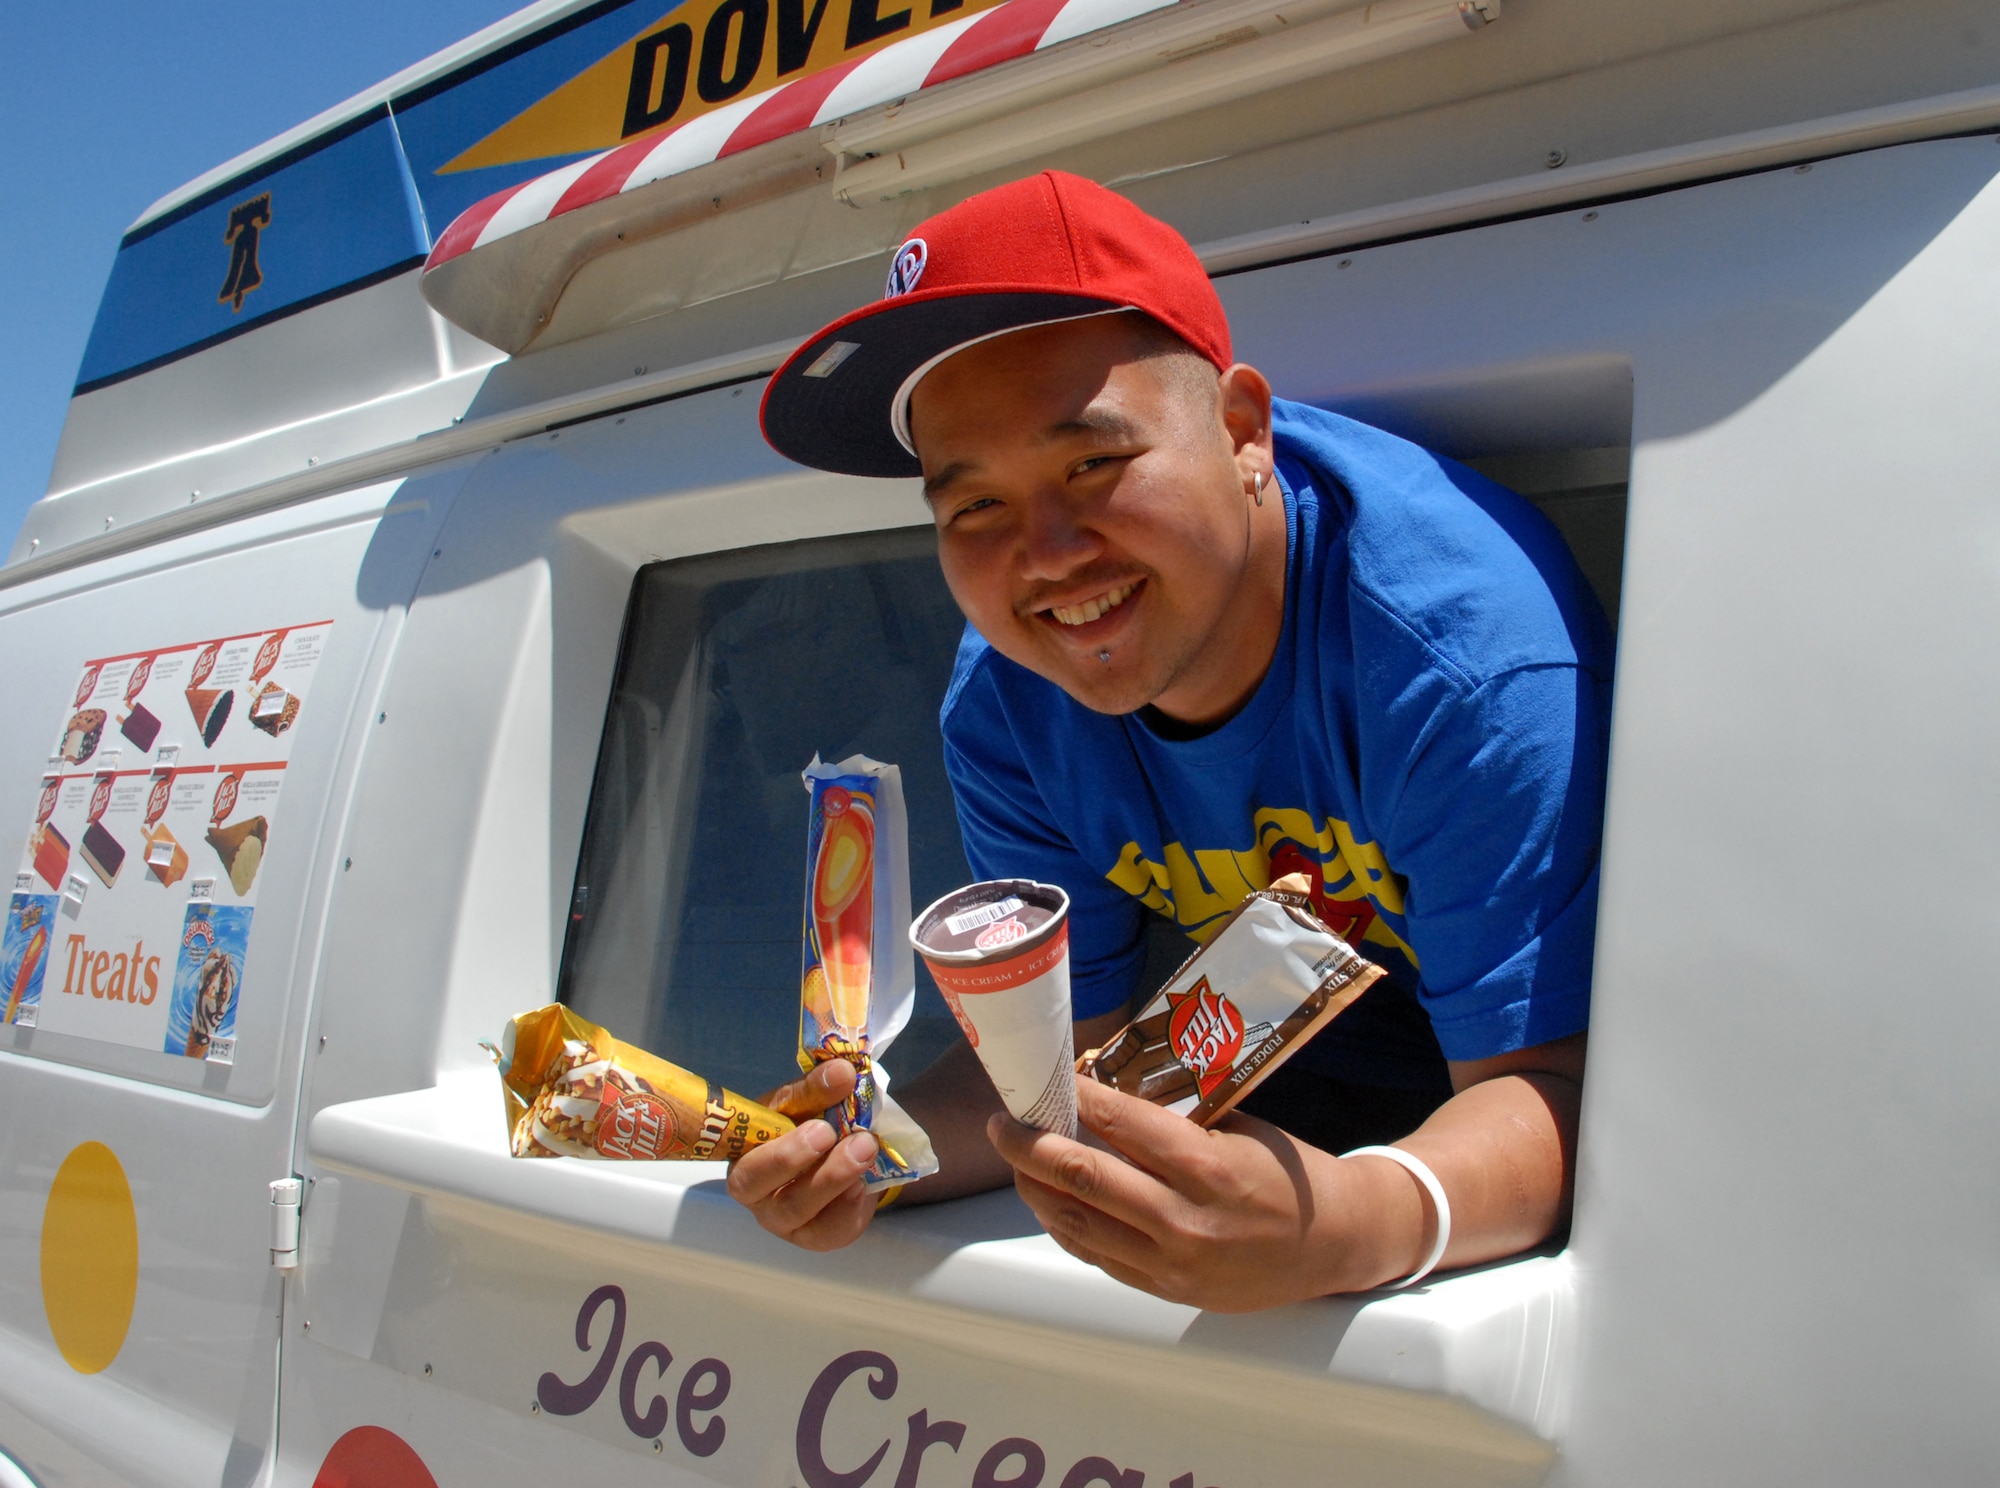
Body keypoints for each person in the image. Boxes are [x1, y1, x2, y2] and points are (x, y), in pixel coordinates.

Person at [731, 170, 1611, 1312]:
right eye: (973, 507)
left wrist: (1351, 1226)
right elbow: (1061, 1070)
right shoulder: (1009, 703)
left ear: (1242, 432)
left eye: (1090, 464)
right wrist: (863, 1153)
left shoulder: (1458, 661)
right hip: (1267, 1132)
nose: (1045, 554)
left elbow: (1556, 1086)